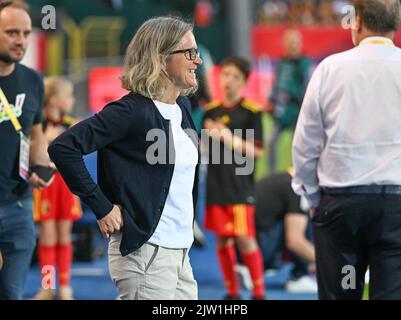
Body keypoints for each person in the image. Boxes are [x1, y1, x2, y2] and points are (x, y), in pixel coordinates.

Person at [48, 16, 202, 300]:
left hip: (180, 253)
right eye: (190, 53)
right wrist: (102, 206)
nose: (198, 61)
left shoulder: (182, 105)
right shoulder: (129, 111)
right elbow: (63, 147)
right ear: (161, 57)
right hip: (146, 255)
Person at [292, 0, 401, 300]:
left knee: (343, 293)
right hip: (395, 209)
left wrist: (312, 196)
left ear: (358, 22)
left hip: (342, 208)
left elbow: (304, 144)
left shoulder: (330, 68)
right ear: (396, 25)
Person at [0, 0, 54, 300]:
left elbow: (35, 136)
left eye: (25, 33)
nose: (21, 40)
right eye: (11, 33)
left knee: (12, 293)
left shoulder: (33, 80)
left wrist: (41, 166)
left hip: (19, 207)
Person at [203, 57, 265, 300]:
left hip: (240, 185)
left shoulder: (252, 112)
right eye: (225, 74)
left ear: (244, 82)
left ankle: (259, 293)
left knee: (244, 238)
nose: (228, 80)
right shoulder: (210, 111)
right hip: (216, 184)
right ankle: (232, 292)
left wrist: (227, 138)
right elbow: (202, 148)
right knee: (222, 239)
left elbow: (257, 151)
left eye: (235, 76)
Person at [32, 77, 82, 300]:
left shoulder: (72, 124)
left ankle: (64, 285)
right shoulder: (38, 125)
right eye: (68, 96)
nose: (72, 100)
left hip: (67, 185)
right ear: (54, 100)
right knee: (47, 238)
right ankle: (47, 286)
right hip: (45, 185)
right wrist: (43, 139)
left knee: (64, 236)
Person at [255, 170, 317, 293]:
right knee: (303, 220)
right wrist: (331, 265)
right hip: (259, 251)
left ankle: (249, 267)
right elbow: (295, 241)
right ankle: (299, 277)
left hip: (244, 249)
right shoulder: (299, 188)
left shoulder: (283, 180)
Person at [267, 29, 311, 173]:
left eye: (295, 42)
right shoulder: (281, 62)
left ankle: (297, 173)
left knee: (297, 144)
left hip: (296, 110)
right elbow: (277, 83)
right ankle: (271, 174)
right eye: (290, 42)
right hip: (280, 110)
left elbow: (307, 87)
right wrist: (271, 100)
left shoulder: (304, 63)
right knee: (272, 142)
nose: (293, 45)